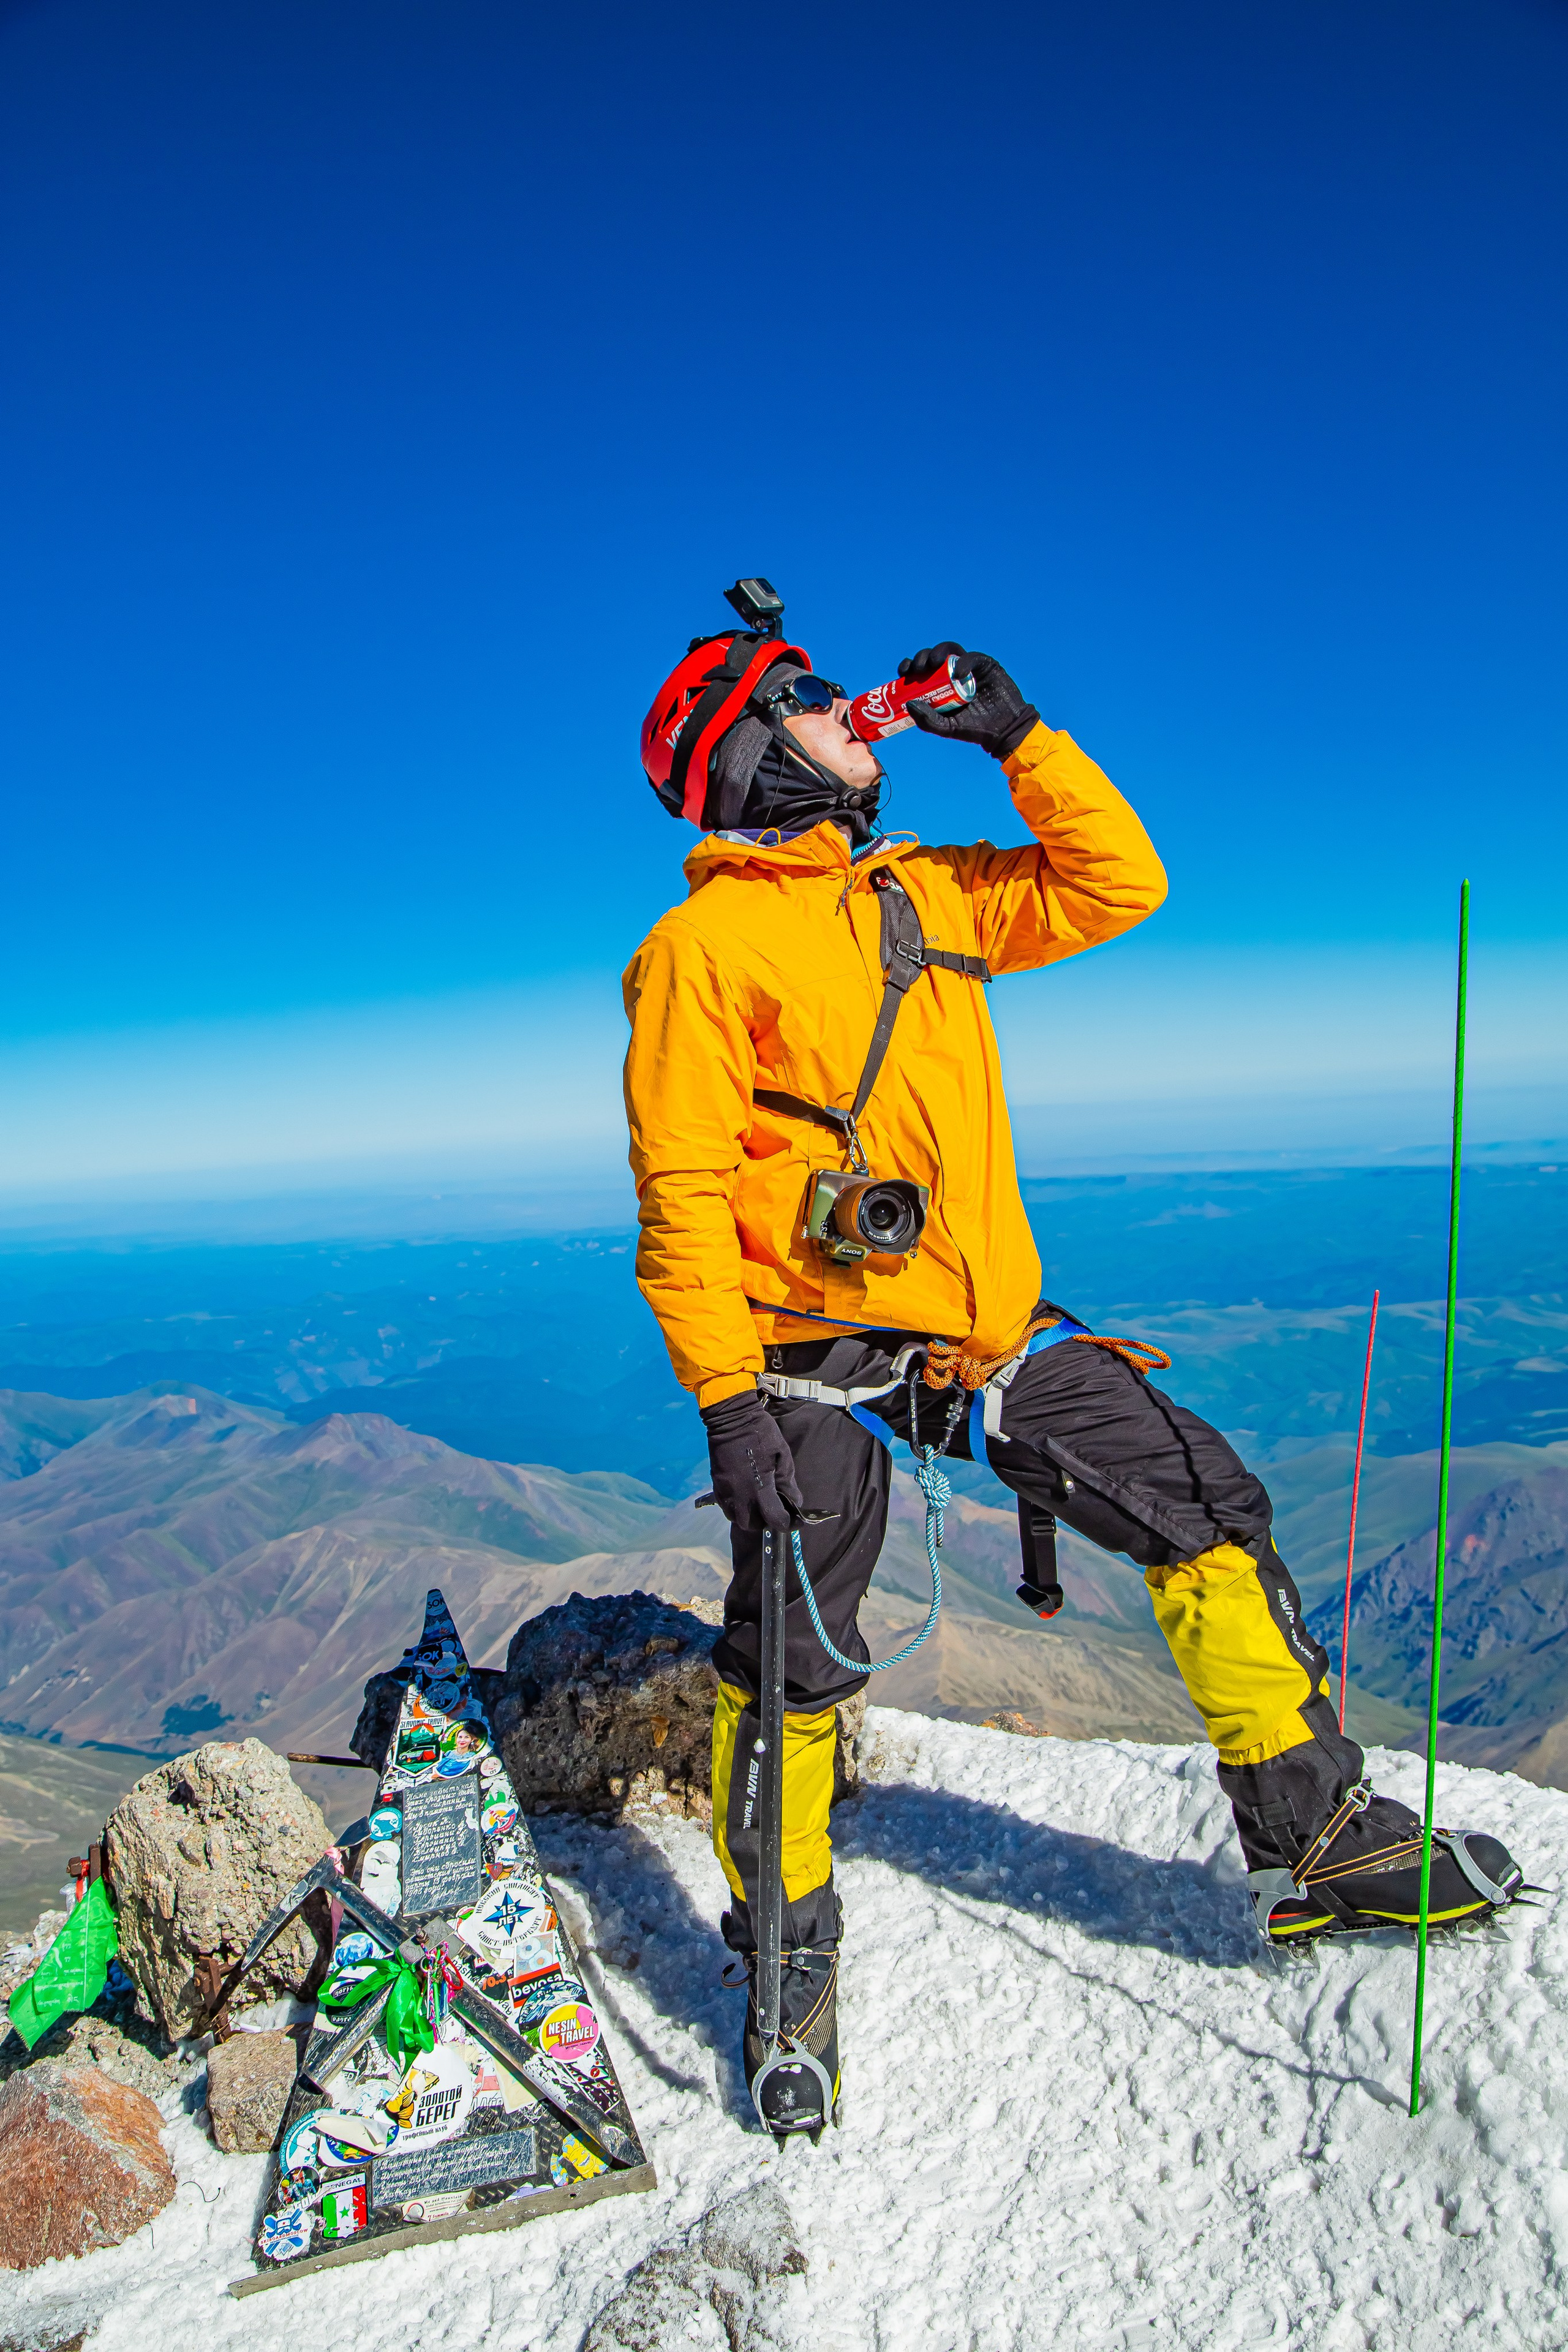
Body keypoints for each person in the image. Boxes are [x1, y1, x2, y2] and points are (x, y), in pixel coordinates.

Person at [622, 588, 1526, 2137]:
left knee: (1200, 1503)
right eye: (807, 696)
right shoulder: (698, 951)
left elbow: (1116, 883)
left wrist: (1020, 739)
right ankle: (784, 1956)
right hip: (801, 1355)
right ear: (751, 753)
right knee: (789, 1656)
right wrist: (723, 1400)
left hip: (975, 1333)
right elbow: (681, 1192)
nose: (846, 707)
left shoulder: (918, 896)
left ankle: (1314, 1842)